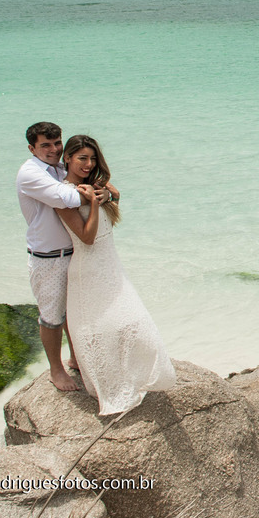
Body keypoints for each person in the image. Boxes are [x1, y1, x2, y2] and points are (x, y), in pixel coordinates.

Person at [55, 134, 175, 415]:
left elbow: (117, 193)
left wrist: (105, 194)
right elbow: (87, 237)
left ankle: (135, 375)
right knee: (101, 328)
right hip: (87, 269)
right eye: (82, 158)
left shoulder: (95, 182)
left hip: (111, 265)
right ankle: (106, 384)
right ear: (68, 158)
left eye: (92, 158)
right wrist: (94, 205)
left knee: (133, 320)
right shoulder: (64, 196)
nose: (88, 163)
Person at [17, 122, 115, 391]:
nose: (53, 150)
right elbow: (65, 197)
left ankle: (76, 358)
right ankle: (56, 370)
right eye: (45, 145)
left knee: (73, 313)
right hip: (48, 257)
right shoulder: (30, 173)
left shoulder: (58, 168)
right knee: (52, 318)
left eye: (57, 143)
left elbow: (99, 184)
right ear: (32, 148)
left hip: (75, 254)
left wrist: (105, 193)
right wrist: (95, 196)